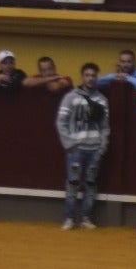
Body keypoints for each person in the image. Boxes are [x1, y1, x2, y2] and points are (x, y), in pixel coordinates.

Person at [57, 62, 111, 230]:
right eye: (87, 75)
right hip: (77, 148)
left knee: (90, 183)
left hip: (94, 148)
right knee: (73, 183)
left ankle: (86, 218)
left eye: (93, 75)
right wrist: (69, 144)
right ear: (82, 77)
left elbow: (105, 126)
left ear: (97, 78)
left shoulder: (102, 100)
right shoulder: (71, 97)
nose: (90, 78)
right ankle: (69, 218)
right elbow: (61, 122)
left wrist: (102, 147)